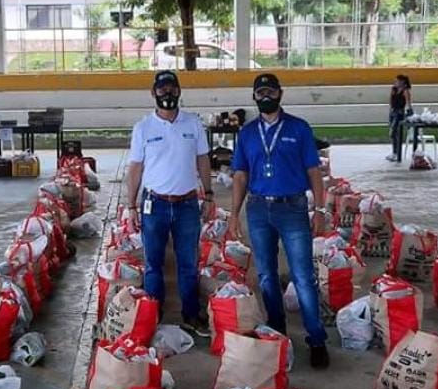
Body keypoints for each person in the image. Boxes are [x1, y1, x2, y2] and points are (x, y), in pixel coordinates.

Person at [229, 73, 330, 369]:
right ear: (254, 98)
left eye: (270, 92)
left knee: (303, 277)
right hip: (259, 209)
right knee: (266, 277)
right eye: (260, 93)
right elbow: (239, 176)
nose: (265, 97)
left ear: (280, 94)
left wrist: (320, 210)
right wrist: (234, 214)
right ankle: (278, 333)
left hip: (293, 208)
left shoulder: (299, 129)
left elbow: (314, 172)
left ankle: (316, 339)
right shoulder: (247, 133)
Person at [125, 70, 213, 337]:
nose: (167, 93)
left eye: (172, 88)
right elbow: (135, 169)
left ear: (179, 91)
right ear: (153, 93)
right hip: (155, 205)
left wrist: (208, 194)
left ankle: (190, 315)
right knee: (153, 264)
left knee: (188, 263)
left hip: (187, 204)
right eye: (162, 89)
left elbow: (203, 161)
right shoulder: (143, 128)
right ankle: (154, 313)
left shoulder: (193, 124)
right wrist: (131, 206)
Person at [386, 74, 413, 163]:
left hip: (400, 113)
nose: (396, 82)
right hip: (393, 112)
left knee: (394, 132)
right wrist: (390, 111)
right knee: (393, 134)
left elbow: (408, 103)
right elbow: (390, 100)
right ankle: (394, 152)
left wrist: (409, 113)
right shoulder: (393, 89)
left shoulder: (405, 91)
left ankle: (397, 153)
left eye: (397, 81)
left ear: (403, 82)